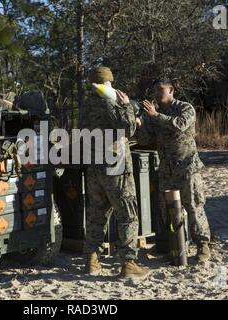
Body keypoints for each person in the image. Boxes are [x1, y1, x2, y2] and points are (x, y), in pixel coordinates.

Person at [80, 66, 150, 278]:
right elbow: (128, 129)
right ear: (108, 81)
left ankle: (92, 260)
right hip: (116, 166)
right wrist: (127, 106)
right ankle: (128, 263)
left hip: (94, 167)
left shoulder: (86, 106)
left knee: (97, 214)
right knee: (128, 214)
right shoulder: (111, 101)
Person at [136, 77, 211, 263]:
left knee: (193, 206)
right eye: (156, 90)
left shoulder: (185, 108)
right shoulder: (154, 114)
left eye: (162, 90)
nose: (158, 93)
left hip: (186, 167)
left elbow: (180, 125)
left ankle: (203, 247)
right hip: (166, 170)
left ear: (171, 90)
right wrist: (140, 125)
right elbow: (145, 140)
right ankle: (176, 247)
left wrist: (155, 116)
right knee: (168, 210)